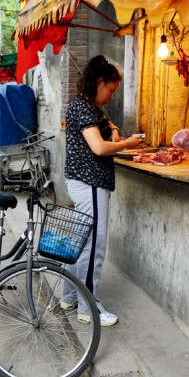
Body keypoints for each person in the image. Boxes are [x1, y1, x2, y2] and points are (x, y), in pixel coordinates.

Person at [62, 55, 144, 327]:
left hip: (82, 183)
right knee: (93, 247)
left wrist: (114, 130)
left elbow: (106, 124)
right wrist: (128, 144)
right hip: (91, 184)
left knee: (78, 242)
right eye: (111, 90)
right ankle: (89, 307)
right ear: (99, 82)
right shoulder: (84, 108)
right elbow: (98, 148)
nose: (111, 96)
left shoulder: (87, 105)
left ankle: (69, 295)